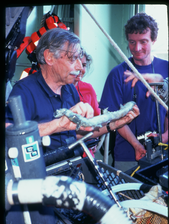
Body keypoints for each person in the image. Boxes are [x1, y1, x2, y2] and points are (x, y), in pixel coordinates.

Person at [5, 28, 139, 153]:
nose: (80, 67)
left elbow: (76, 135)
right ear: (49, 57)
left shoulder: (69, 90)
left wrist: (114, 124)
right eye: (73, 59)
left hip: (70, 169)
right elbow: (9, 135)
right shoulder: (24, 91)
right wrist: (58, 124)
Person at [99, 13, 168, 172]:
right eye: (132, 42)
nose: (137, 48)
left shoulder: (165, 69)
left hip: (162, 153)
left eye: (143, 42)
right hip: (127, 155)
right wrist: (136, 145)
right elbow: (114, 117)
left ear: (153, 40)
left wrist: (164, 137)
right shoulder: (117, 74)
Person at [73, 49, 100, 116]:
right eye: (75, 64)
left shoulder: (88, 89)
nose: (80, 68)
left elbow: (97, 120)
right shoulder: (58, 88)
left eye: (84, 65)